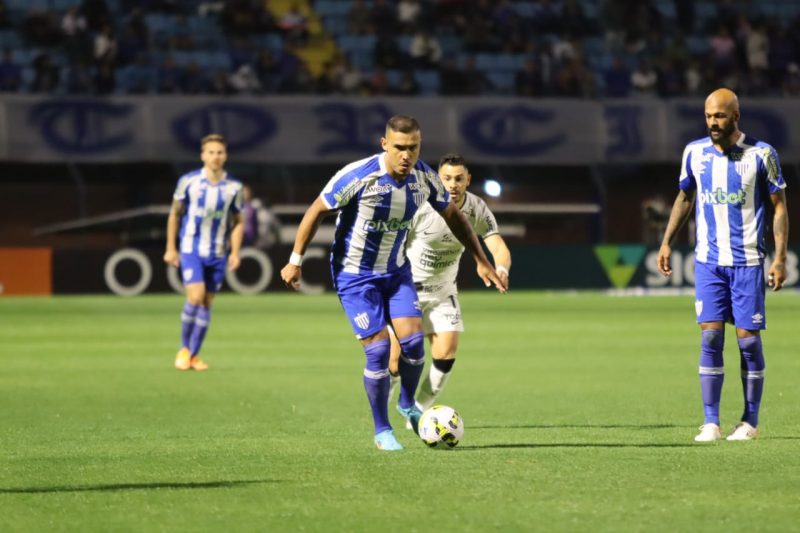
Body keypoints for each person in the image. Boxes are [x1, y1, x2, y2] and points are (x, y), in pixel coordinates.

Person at [280, 115, 507, 451]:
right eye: (399, 147)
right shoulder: (358, 177)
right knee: (379, 351)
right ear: (384, 144)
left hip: (396, 271)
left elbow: (455, 217)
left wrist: (481, 259)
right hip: (355, 277)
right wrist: (295, 260)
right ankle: (382, 429)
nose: (406, 155)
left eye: (413, 148)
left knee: (414, 345)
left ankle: (406, 406)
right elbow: (316, 211)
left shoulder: (424, 179)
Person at [657, 88, 789, 442]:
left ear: (736, 116)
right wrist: (667, 240)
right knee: (711, 337)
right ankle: (711, 422)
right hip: (708, 262)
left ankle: (749, 421)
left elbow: (779, 206)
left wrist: (779, 257)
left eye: (720, 116)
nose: (713, 122)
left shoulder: (762, 154)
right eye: (709, 116)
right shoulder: (694, 153)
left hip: (747, 262)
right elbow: (685, 198)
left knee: (747, 343)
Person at [387, 153, 512, 418]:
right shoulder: (421, 206)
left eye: (458, 179)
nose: (452, 185)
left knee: (445, 355)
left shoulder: (477, 209)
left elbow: (498, 245)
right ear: (437, 179)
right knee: (396, 362)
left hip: (444, 292)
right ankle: (381, 408)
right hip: (408, 290)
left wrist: (500, 269)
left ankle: (417, 413)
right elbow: (394, 243)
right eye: (446, 179)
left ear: (468, 180)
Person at [163, 134, 244, 371]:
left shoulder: (234, 187)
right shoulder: (188, 182)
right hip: (191, 248)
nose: (215, 156)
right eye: (211, 152)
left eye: (219, 152)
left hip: (218, 252)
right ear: (203, 155)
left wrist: (235, 252)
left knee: (207, 302)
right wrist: (170, 247)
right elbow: (174, 214)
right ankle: (183, 349)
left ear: (225, 156)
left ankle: (194, 356)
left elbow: (238, 220)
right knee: (196, 297)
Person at [242, 184, 281, 249]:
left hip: (261, 243)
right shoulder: (238, 208)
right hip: (244, 241)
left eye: (247, 192)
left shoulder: (258, 209)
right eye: (243, 192)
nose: (245, 194)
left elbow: (276, 226)